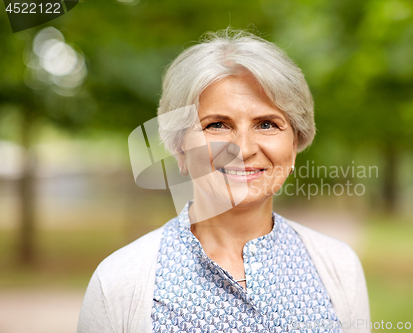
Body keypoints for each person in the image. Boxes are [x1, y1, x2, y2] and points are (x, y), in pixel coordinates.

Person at [77, 28, 370, 333]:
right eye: (217, 125)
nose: (242, 149)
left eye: (267, 124)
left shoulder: (339, 269)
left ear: (294, 146)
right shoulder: (119, 283)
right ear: (180, 149)